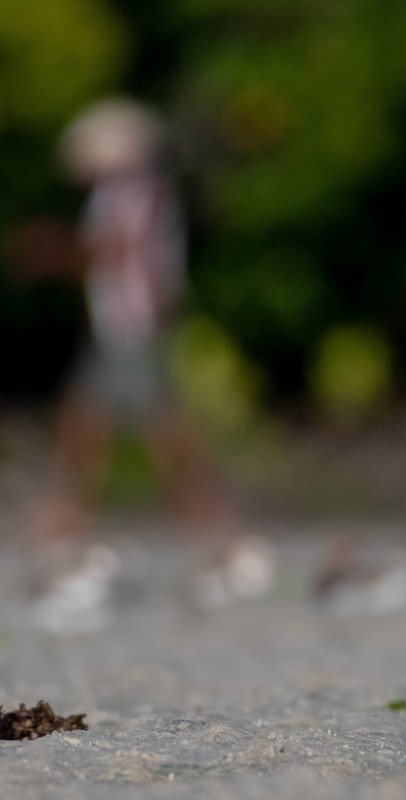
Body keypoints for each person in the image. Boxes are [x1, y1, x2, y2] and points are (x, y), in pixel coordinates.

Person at [26, 98, 273, 632]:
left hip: (129, 329)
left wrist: (54, 252)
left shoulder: (134, 193)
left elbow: (116, 251)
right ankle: (64, 523)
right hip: (121, 328)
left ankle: (211, 532)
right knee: (88, 425)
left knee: (157, 434)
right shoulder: (140, 192)